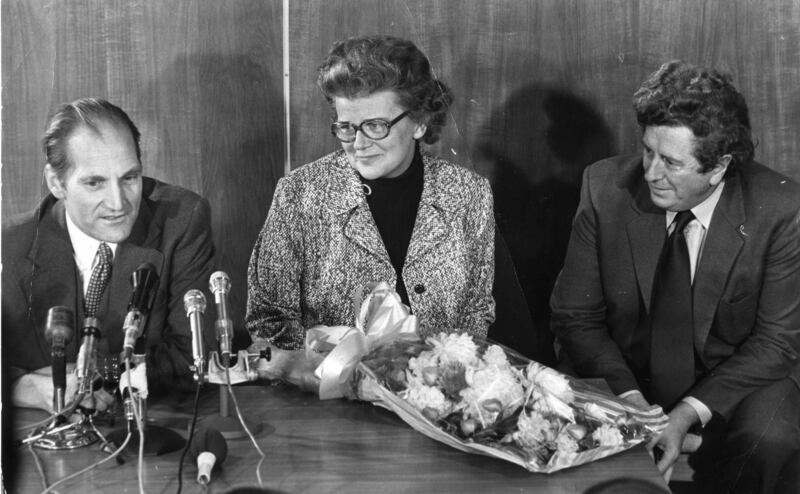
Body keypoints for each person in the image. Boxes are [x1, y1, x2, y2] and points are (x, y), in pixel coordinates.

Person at [550, 60, 800, 493]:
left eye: (670, 161)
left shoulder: (781, 211)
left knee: (772, 438)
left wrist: (686, 414)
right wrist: (630, 403)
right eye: (648, 150)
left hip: (729, 387)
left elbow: (776, 342)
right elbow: (576, 318)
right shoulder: (604, 187)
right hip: (625, 379)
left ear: (719, 167)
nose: (649, 172)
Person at [246, 35, 495, 361]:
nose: (358, 144)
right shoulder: (300, 194)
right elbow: (267, 322)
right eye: (346, 127)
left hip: (434, 403)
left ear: (419, 121)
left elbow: (476, 313)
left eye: (376, 125)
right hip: (329, 404)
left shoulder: (468, 194)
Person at [2, 98, 216, 412]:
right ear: (56, 183)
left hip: (153, 430)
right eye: (94, 183)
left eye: (129, 178)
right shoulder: (10, 246)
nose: (118, 203)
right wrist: (27, 387)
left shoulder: (182, 220)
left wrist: (95, 375)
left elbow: (191, 358)